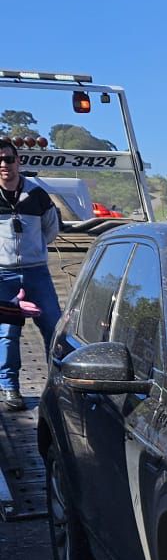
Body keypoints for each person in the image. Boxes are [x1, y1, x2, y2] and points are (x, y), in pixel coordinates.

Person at [0, 139, 63, 411]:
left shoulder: (37, 195)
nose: (5, 165)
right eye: (0, 160)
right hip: (3, 276)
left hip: (37, 272)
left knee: (54, 327)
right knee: (8, 333)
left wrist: (35, 249)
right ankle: (10, 388)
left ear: (19, 161)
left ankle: (61, 386)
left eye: (9, 159)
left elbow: (51, 228)